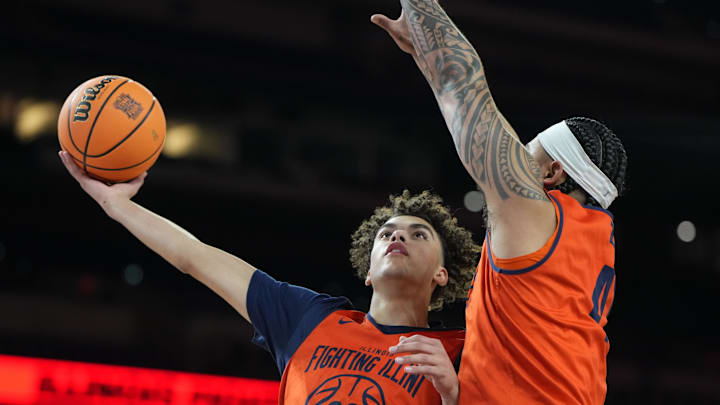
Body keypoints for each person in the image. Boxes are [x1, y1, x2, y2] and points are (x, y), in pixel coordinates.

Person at [58, 150, 479, 404]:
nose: (398, 235)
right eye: (386, 233)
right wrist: (117, 207)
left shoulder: (461, 352)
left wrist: (452, 395)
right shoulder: (310, 318)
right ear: (368, 271)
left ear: (442, 273)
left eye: (418, 234)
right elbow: (197, 258)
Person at [372, 1, 628, 404]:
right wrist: (426, 55)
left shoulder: (536, 212)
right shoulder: (587, 239)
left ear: (550, 174)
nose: (516, 158)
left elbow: (464, 86)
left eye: (529, 154)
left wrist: (424, 14)